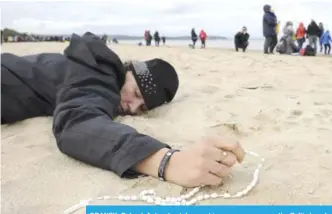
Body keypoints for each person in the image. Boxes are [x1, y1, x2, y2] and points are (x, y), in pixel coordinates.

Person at [1, 32, 245, 188]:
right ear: (128, 71)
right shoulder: (100, 78)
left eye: (142, 107)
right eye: (136, 93)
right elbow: (76, 122)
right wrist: (167, 162)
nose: (131, 107)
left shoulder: (93, 63)